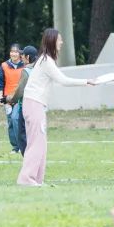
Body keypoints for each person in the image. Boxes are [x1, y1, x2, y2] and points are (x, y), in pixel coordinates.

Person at [17, 28, 98, 186]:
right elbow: (63, 80)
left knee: (41, 144)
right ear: (52, 41)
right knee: (36, 143)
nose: (61, 42)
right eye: (59, 39)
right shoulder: (46, 61)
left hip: (35, 104)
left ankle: (37, 180)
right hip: (34, 103)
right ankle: (26, 179)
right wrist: (86, 81)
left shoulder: (46, 60)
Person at [0, 43, 25, 154]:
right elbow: (0, 84)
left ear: (20, 53)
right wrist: (0, 99)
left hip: (20, 99)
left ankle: (22, 145)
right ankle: (15, 147)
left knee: (15, 119)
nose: (13, 54)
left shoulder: (25, 65)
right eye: (12, 51)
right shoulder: (4, 66)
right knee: (10, 122)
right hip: (7, 99)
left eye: (16, 52)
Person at [7, 45, 37, 155]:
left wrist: (10, 99)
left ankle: (28, 157)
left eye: (23, 55)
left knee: (22, 135)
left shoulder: (26, 71)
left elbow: (20, 91)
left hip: (25, 106)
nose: (21, 56)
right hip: (37, 106)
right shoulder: (39, 69)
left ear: (27, 57)